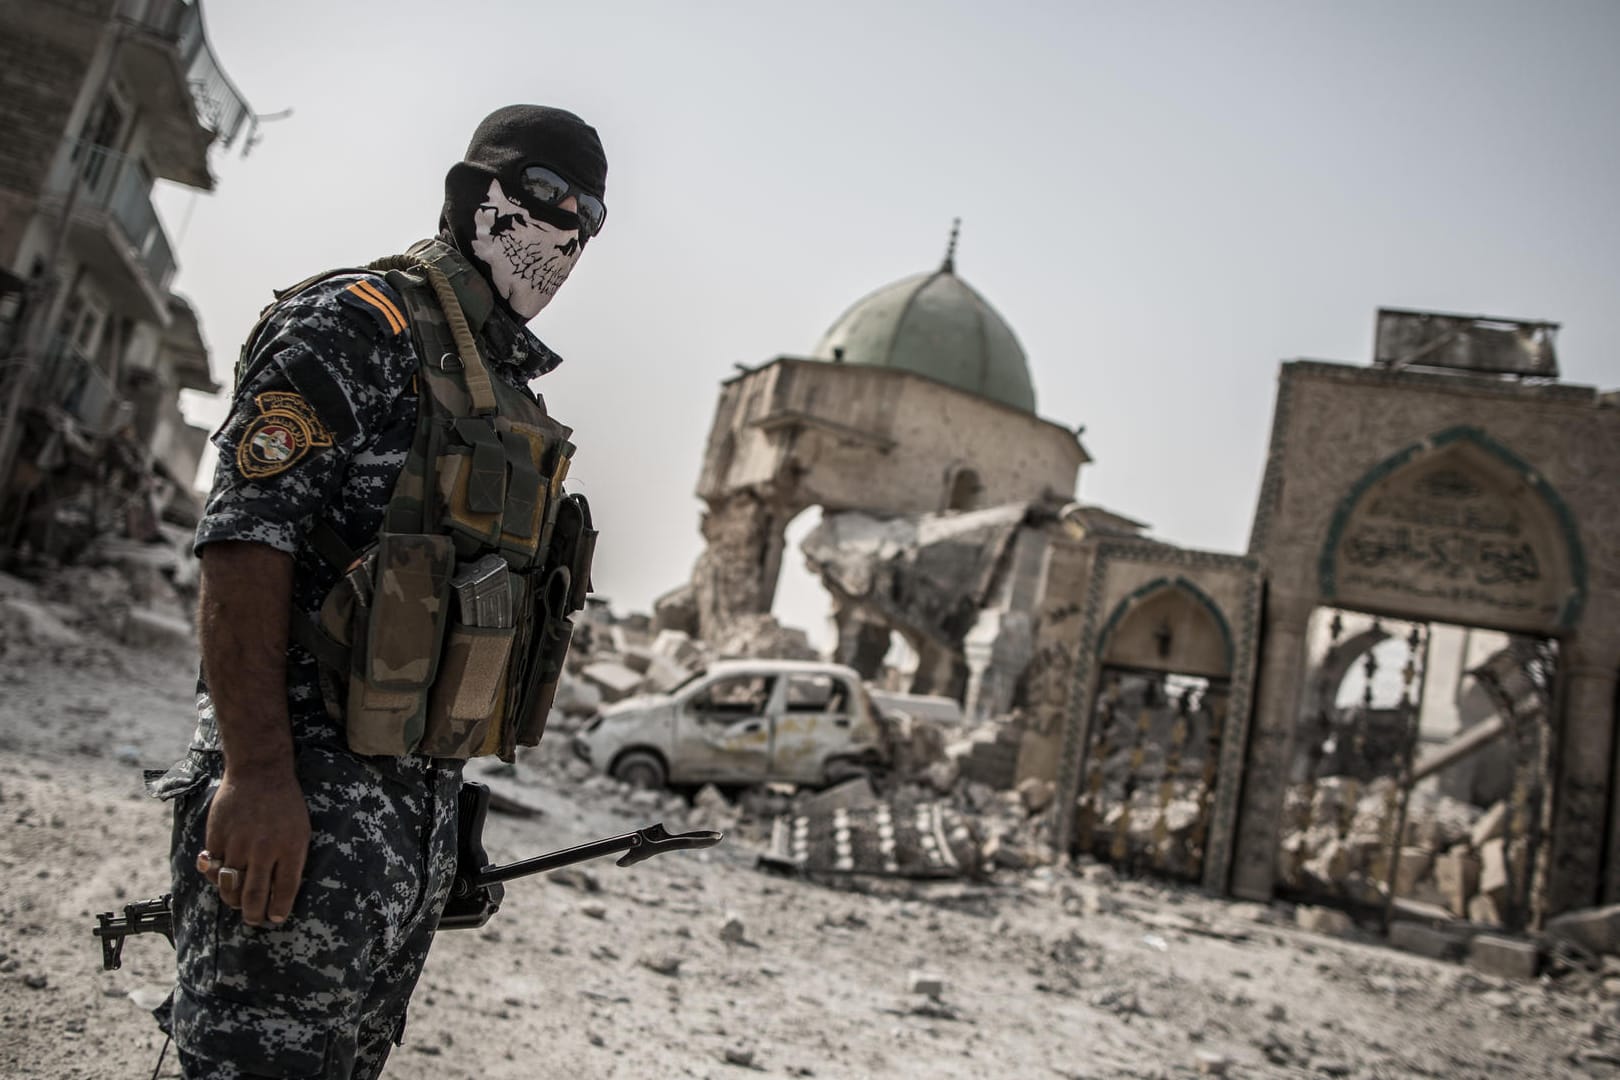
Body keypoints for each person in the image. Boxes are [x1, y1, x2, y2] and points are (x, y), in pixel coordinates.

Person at [147, 104, 608, 1078]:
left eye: (587, 219)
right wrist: (257, 775)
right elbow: (245, 541)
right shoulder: (354, 324)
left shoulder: (506, 397)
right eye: (543, 197)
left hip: (398, 846)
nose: (562, 231)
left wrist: (442, 829)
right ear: (469, 194)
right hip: (297, 809)